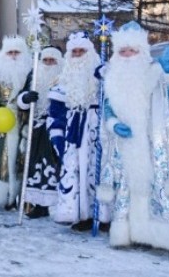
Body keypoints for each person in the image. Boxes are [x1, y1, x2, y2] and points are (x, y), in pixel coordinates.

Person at [98, 22, 169, 252]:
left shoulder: (157, 72)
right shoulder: (111, 78)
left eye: (133, 50)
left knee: (153, 187)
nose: (128, 55)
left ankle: (157, 235)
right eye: (123, 51)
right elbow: (107, 108)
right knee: (127, 188)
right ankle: (128, 233)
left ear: (142, 51)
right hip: (125, 145)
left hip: (154, 144)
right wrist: (113, 124)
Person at [44, 32, 108, 229]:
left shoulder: (102, 77)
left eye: (83, 51)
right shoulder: (61, 82)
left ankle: (105, 216)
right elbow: (55, 113)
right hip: (74, 134)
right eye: (75, 51)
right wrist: (57, 137)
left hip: (100, 132)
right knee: (78, 174)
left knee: (101, 172)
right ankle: (83, 215)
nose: (79, 55)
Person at [0, 35, 32, 209]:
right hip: (2, 123)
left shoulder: (30, 74)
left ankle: (21, 196)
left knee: (22, 159)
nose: (13, 56)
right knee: (2, 160)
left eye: (16, 52)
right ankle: (3, 195)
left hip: (23, 122)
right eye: (9, 52)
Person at [16, 45, 64, 219]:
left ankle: (60, 205)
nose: (49, 64)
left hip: (57, 129)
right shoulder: (34, 75)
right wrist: (26, 98)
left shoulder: (64, 77)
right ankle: (38, 205)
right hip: (35, 129)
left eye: (53, 61)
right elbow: (20, 98)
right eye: (46, 60)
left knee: (54, 167)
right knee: (35, 167)